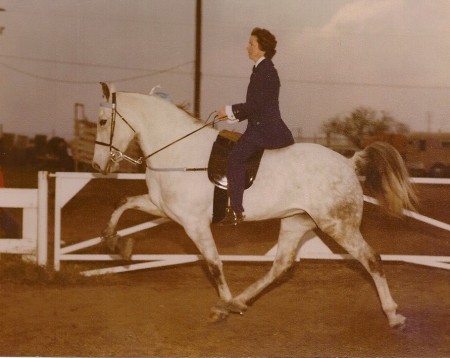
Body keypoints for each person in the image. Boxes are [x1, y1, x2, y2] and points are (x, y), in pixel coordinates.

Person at [216, 27, 295, 226]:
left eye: (251, 44)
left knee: (235, 158)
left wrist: (230, 110)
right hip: (260, 127)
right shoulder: (261, 69)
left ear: (262, 48)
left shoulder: (266, 70)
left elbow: (256, 106)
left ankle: (236, 211)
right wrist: (232, 114)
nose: (247, 47)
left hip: (266, 130)